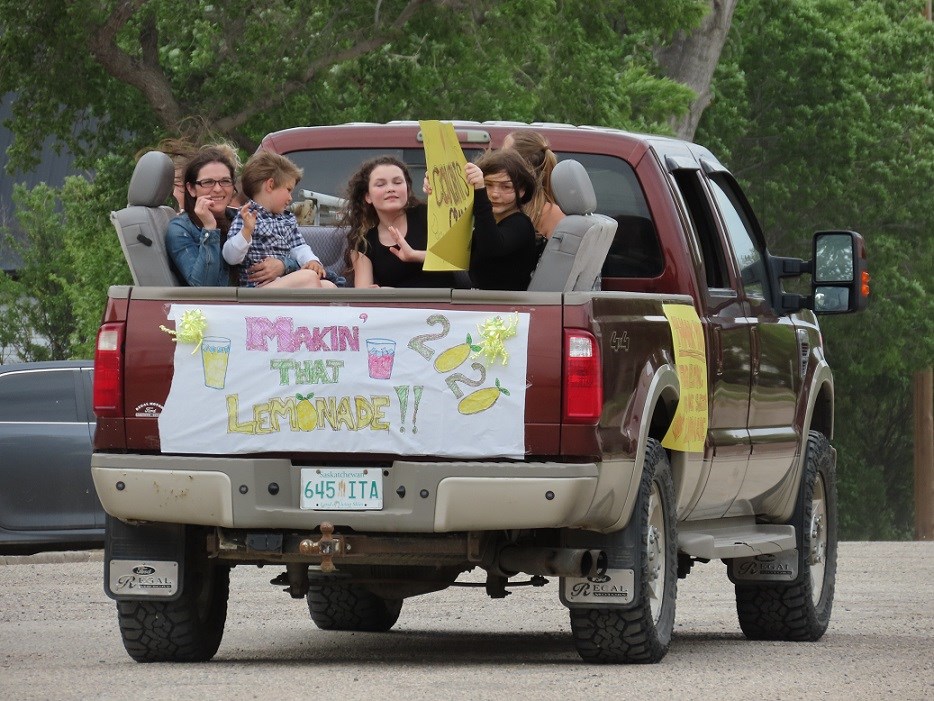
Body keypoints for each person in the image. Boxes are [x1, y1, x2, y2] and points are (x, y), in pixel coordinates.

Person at [166, 147, 299, 287]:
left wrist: (283, 265)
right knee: (309, 280)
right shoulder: (180, 229)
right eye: (208, 182)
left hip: (259, 296)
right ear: (191, 189)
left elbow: (297, 251)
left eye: (225, 181)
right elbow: (204, 287)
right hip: (221, 306)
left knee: (320, 283)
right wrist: (210, 229)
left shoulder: (243, 218)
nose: (218, 189)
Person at [340, 155, 463, 288]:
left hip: (443, 303)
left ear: (408, 190)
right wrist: (384, 294)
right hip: (397, 307)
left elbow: (458, 259)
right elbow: (363, 293)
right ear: (368, 196)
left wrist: (414, 255)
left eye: (397, 182)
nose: (390, 188)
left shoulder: (428, 214)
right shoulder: (363, 241)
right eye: (381, 184)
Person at [223, 151, 337, 289]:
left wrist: (312, 260)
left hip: (284, 283)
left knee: (329, 287)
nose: (290, 198)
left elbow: (299, 247)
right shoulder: (246, 216)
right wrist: (246, 232)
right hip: (257, 289)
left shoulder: (286, 219)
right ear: (270, 185)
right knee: (309, 277)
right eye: (288, 190)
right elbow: (231, 257)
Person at [466, 150, 538, 291]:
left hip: (507, 309)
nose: (494, 194)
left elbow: (491, 247)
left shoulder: (520, 224)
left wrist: (480, 192)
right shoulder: (486, 221)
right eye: (488, 185)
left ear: (522, 190)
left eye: (506, 187)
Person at [502, 130, 565, 238]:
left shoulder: (551, 214)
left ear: (520, 165)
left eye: (503, 156)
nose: (496, 160)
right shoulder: (503, 205)